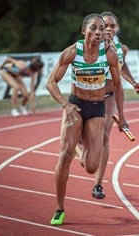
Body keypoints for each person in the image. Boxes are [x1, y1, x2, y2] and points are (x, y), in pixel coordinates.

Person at [46, 13, 126, 226]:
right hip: (76, 106)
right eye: (93, 28)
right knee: (64, 156)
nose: (98, 32)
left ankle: (80, 143)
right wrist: (66, 104)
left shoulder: (109, 55)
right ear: (84, 31)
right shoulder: (72, 52)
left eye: (101, 29)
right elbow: (50, 83)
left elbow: (117, 86)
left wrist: (123, 118)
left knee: (91, 166)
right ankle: (59, 208)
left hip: (97, 108)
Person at [89, 11, 139, 200]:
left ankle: (98, 184)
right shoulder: (93, 45)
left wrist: (133, 81)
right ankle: (83, 153)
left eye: (113, 26)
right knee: (85, 138)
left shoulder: (122, 48)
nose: (109, 29)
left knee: (104, 136)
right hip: (89, 95)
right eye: (105, 26)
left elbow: (121, 66)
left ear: (117, 28)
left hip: (110, 95)